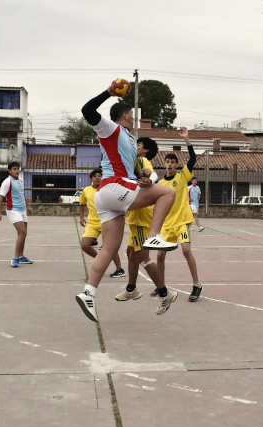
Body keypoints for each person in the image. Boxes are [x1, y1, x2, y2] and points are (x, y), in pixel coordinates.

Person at [75, 80, 178, 322]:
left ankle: (88, 293)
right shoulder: (110, 128)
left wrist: (142, 176)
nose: (133, 116)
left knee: (110, 248)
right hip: (114, 187)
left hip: (109, 195)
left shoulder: (131, 141)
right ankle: (155, 235)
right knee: (167, 193)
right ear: (125, 115)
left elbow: (131, 170)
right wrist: (108, 93)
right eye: (131, 113)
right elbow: (87, 111)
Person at [155, 127, 203, 302]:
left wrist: (187, 140)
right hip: (167, 224)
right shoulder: (160, 183)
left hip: (182, 221)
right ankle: (161, 287)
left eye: (172, 162)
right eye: (167, 162)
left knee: (186, 250)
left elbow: (193, 159)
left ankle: (196, 285)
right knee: (160, 255)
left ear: (176, 165)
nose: (169, 164)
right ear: (164, 164)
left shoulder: (183, 176)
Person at [114, 137, 162, 302]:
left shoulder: (142, 160)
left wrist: (150, 180)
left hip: (142, 216)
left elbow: (153, 174)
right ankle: (131, 289)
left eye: (139, 145)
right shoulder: (131, 161)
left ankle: (164, 293)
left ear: (145, 150)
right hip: (136, 216)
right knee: (131, 253)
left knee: (143, 255)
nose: (135, 146)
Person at [79, 168, 125, 278]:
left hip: (107, 222)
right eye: (95, 176)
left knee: (109, 247)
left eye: (100, 175)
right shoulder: (87, 190)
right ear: (91, 178)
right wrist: (81, 217)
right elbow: (82, 203)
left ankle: (120, 269)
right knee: (85, 245)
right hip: (92, 223)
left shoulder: (107, 189)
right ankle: (101, 260)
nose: (98, 177)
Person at [0, 161, 33, 268]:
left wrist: (28, 207)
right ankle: (16, 258)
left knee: (23, 234)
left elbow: (22, 195)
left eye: (18, 168)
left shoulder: (21, 180)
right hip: (13, 210)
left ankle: (21, 256)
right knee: (22, 232)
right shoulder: (7, 182)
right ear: (10, 171)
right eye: (14, 169)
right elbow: (0, 197)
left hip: (22, 210)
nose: (16, 171)